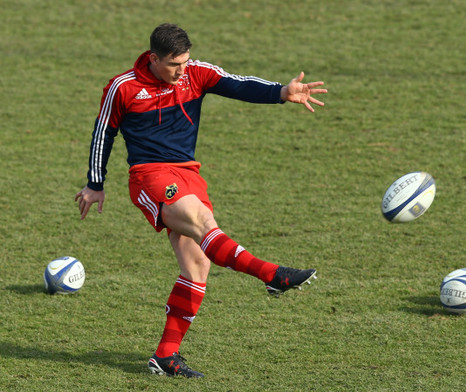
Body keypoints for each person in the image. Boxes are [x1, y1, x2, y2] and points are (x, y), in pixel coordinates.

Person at [75, 23, 327, 378]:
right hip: (150, 176)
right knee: (203, 224)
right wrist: (94, 183)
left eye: (185, 61)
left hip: (189, 174)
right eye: (174, 64)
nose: (182, 70)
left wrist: (283, 92)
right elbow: (104, 131)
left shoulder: (197, 73)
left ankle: (165, 357)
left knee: (197, 267)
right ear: (152, 59)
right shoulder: (124, 87)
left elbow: (239, 84)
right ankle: (272, 275)